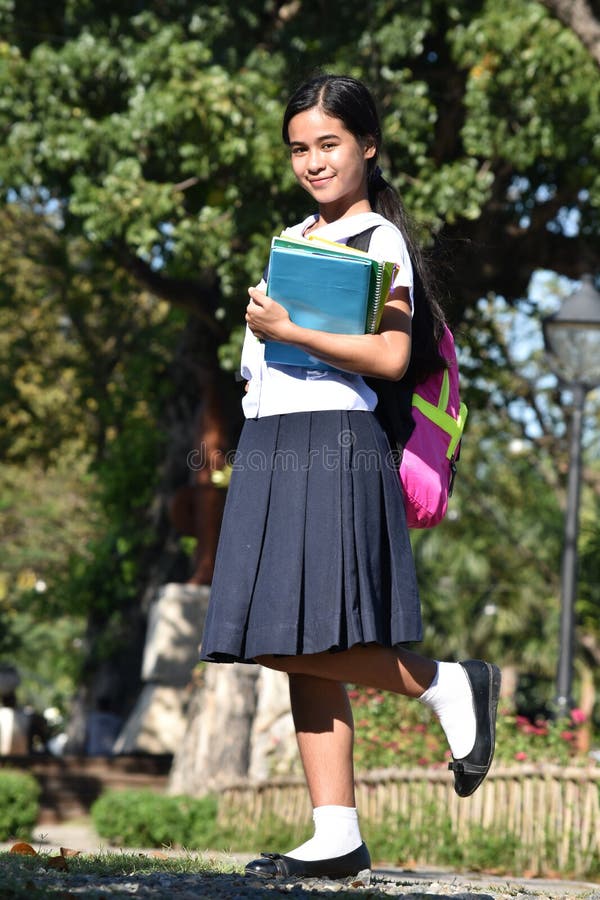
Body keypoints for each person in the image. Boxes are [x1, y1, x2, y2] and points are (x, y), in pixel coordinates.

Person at [200, 73, 501, 880]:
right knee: (296, 641)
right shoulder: (297, 235)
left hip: (332, 440)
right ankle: (336, 833)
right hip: (274, 441)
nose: (313, 161)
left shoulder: (379, 240)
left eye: (329, 144)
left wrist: (289, 327)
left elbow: (393, 356)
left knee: (297, 638)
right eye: (300, 148)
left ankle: (446, 685)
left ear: (367, 145)